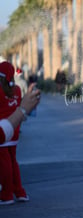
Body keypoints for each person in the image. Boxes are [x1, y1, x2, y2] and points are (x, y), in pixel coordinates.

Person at [0, 61, 40, 204]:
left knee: (5, 164)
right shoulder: (16, 90)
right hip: (15, 130)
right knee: (13, 162)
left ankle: (6, 195)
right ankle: (20, 192)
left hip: (3, 131)